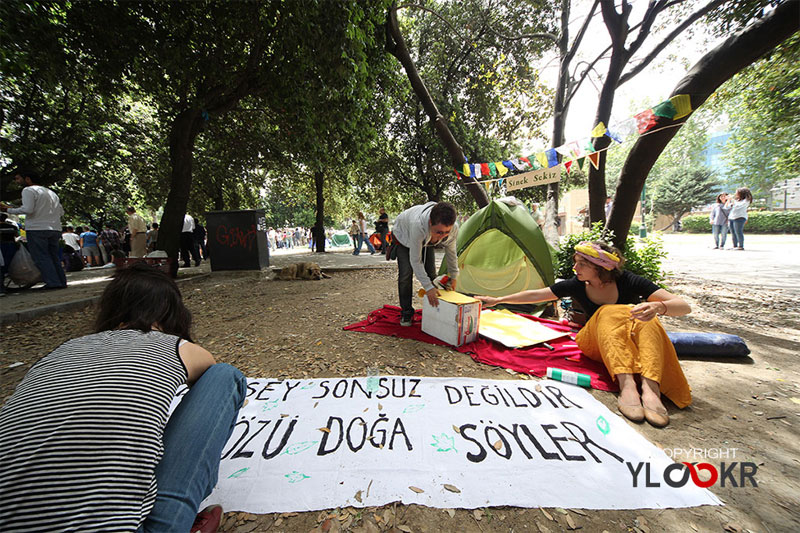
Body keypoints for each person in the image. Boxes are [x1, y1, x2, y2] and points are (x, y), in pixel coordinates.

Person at [0, 263, 245, 533]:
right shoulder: (176, 346)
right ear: (172, 313)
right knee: (225, 376)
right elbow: (209, 373)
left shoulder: (60, 352)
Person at [476, 241, 692, 428]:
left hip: (629, 345)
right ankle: (627, 385)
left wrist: (659, 307)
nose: (575, 267)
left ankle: (650, 387)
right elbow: (538, 294)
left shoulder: (629, 281)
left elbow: (683, 306)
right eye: (576, 261)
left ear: (600, 267)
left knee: (648, 318)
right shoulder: (577, 284)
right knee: (608, 312)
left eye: (582, 263)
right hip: (595, 344)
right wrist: (497, 299)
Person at [392, 202, 459, 327]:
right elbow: (415, 261)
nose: (442, 236)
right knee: (406, 275)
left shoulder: (453, 229)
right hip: (404, 236)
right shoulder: (417, 226)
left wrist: (454, 276)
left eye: (446, 232)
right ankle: (406, 312)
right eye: (439, 232)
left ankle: (434, 311)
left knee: (431, 273)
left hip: (425, 237)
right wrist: (427, 287)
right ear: (430, 223)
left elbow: (451, 254)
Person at [0, 170, 67, 289]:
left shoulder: (28, 190)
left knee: (41, 256)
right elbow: (61, 212)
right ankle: (61, 281)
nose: (16, 181)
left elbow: (28, 209)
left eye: (18, 178)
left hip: (37, 228)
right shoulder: (51, 192)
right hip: (55, 228)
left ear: (27, 179)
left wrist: (8, 210)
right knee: (54, 256)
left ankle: (52, 283)